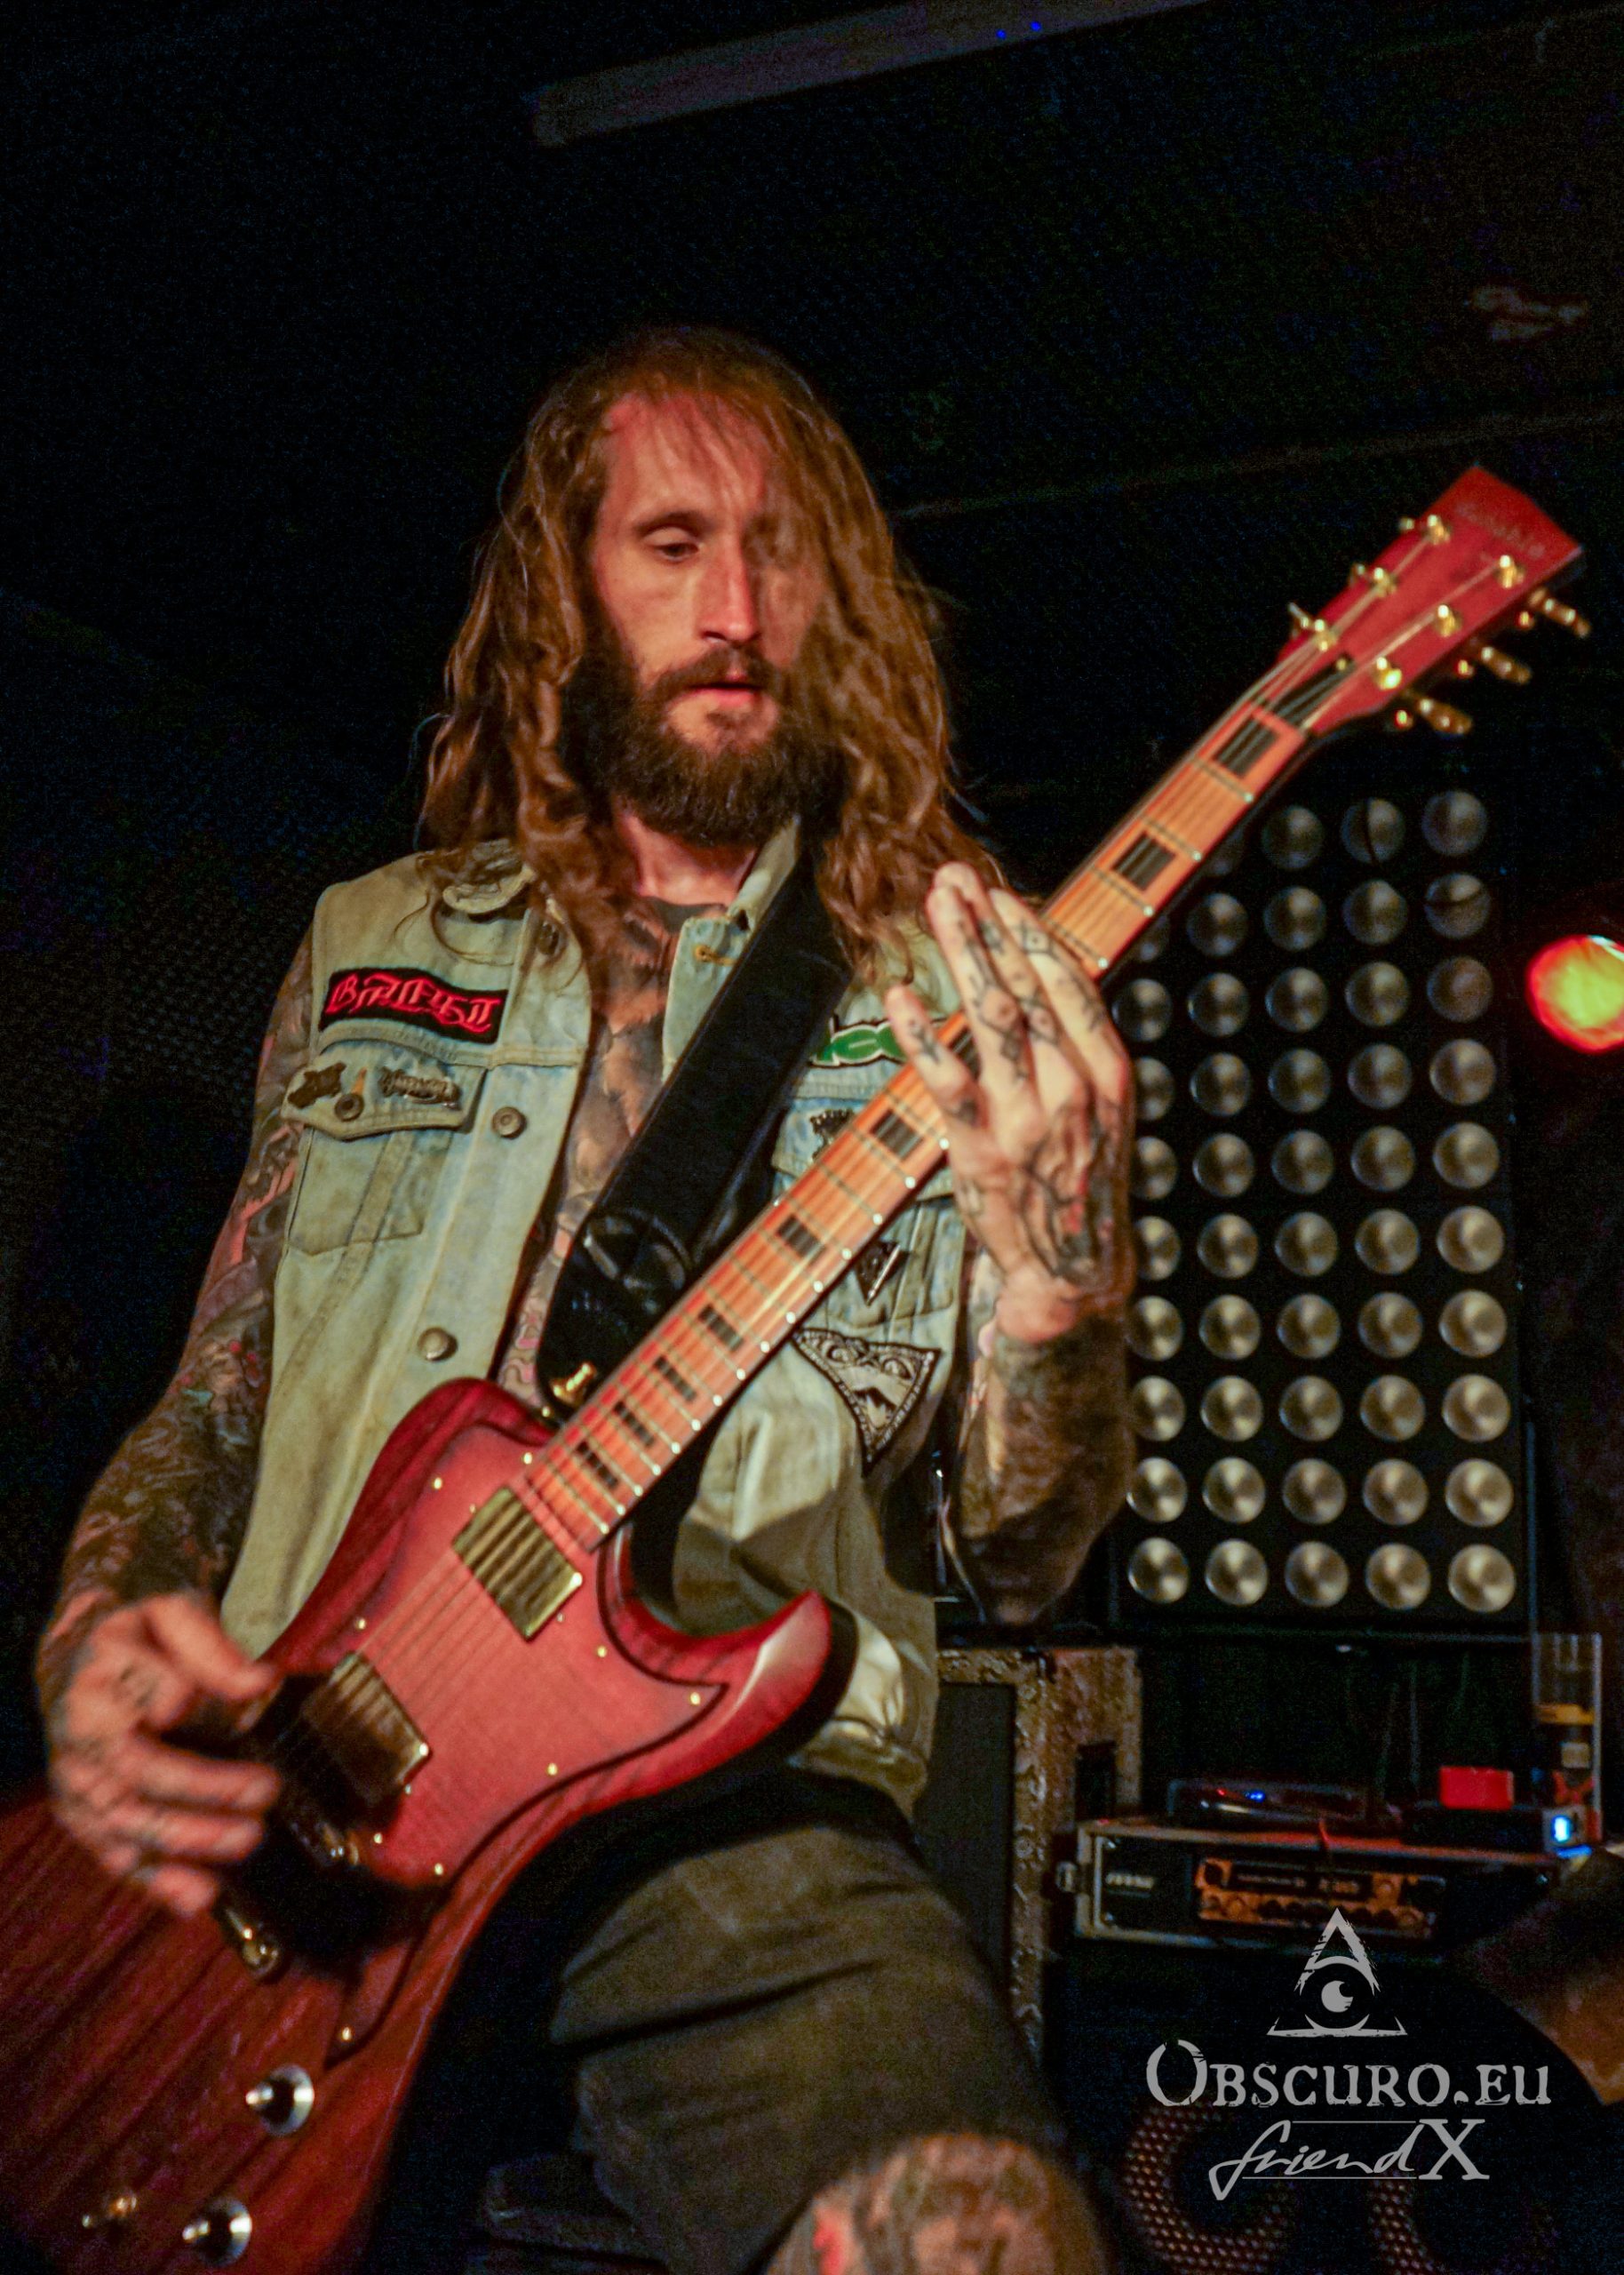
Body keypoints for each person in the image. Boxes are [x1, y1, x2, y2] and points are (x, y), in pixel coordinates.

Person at [36, 330, 1134, 2275]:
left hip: (728, 1829)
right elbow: (214, 1403)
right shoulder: (370, 941)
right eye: (672, 544)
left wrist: (1059, 1290)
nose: (735, 612)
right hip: (306, 1793)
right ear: (568, 588)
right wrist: (87, 1643)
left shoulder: (954, 990)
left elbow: (1024, 1556)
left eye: (782, 552)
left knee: (981, 2238)